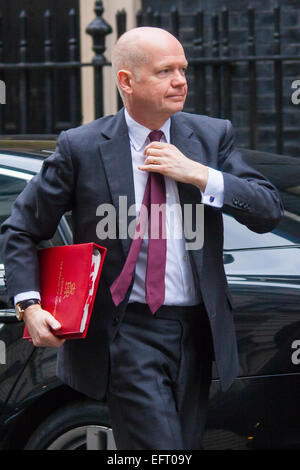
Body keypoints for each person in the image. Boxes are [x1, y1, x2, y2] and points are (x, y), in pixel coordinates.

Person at [1, 27, 283, 450]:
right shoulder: (81, 148)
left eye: (183, 69)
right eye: (165, 70)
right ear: (127, 82)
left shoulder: (210, 137)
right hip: (125, 331)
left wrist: (199, 174)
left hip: (196, 330)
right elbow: (22, 228)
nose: (180, 80)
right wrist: (29, 304)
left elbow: (267, 210)